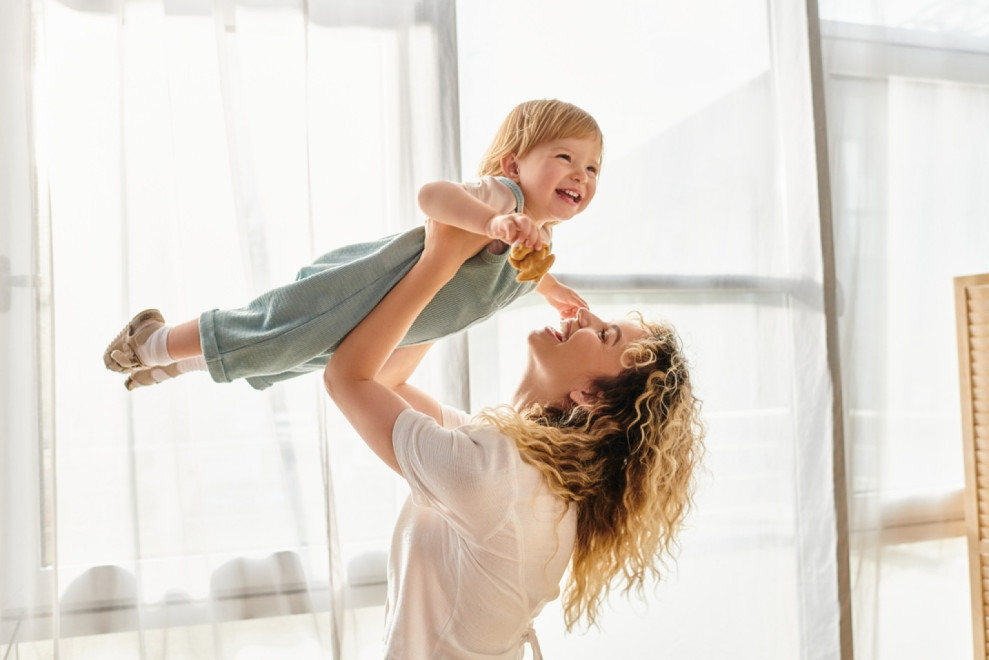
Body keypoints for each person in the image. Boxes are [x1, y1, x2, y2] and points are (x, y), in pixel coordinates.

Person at [326, 219, 705, 659]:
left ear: (590, 397)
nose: (584, 314)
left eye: (604, 334)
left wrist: (440, 261)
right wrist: (468, 280)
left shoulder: (499, 477)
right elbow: (387, 383)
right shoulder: (518, 468)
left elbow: (346, 378)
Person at [102, 99, 602, 390]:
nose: (581, 175)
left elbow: (522, 270)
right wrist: (494, 222)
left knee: (296, 357)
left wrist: (553, 291)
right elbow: (433, 196)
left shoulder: (536, 237)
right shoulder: (503, 198)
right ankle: (152, 341)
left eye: (593, 168)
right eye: (565, 157)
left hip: (395, 323)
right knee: (277, 330)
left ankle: (179, 362)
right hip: (362, 288)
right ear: (514, 165)